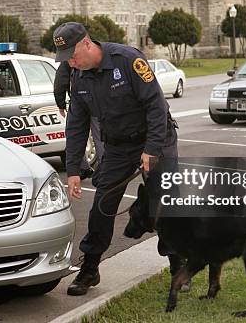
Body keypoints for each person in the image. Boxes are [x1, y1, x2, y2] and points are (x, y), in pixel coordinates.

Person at [54, 22, 181, 296]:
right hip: (119, 147)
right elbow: (76, 124)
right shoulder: (79, 77)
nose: (70, 63)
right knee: (101, 205)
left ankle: (179, 265)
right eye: (65, 60)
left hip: (156, 138)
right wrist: (74, 168)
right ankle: (90, 268)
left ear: (87, 43)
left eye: (72, 56)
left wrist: (152, 148)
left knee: (165, 203)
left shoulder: (127, 60)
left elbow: (156, 106)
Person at [54, 60, 104, 180]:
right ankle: (105, 168)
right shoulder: (93, 58)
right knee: (100, 137)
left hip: (79, 103)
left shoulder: (68, 61)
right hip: (97, 102)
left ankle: (83, 168)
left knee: (75, 137)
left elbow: (60, 82)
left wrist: (60, 104)